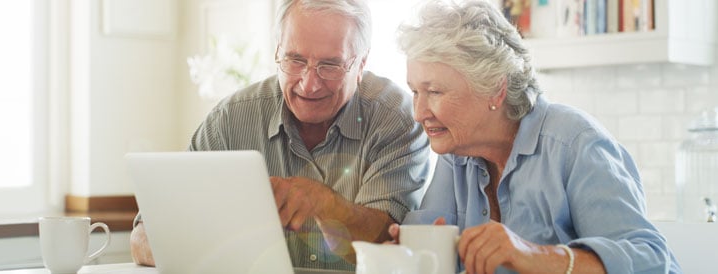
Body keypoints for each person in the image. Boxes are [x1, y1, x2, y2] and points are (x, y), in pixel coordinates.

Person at [130, 0, 430, 271]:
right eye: (295, 60)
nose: (309, 84)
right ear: (277, 53)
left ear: (361, 64)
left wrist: (327, 206)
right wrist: (212, 247)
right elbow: (144, 236)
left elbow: (387, 242)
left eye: (330, 65)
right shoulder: (231, 118)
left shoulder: (397, 118)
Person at [387, 0, 681, 273]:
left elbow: (654, 259)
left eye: (435, 92)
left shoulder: (575, 143)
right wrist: (406, 255)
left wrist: (531, 254)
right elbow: (432, 247)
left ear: (495, 90)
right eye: (415, 92)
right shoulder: (457, 153)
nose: (419, 112)